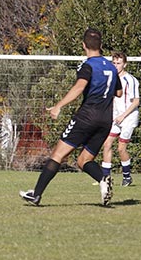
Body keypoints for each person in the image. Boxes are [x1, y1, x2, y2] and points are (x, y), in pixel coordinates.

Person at [20, 28, 122, 206]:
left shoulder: (87, 66)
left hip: (86, 117)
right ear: (101, 45)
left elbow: (79, 87)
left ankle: (36, 194)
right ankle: (103, 179)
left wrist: (59, 106)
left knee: (58, 155)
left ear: (84, 45)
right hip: (105, 120)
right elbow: (119, 92)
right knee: (84, 160)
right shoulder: (111, 68)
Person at [101, 51, 140, 187]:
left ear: (125, 64)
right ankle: (105, 179)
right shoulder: (111, 78)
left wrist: (123, 115)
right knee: (106, 144)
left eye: (119, 63)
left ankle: (127, 177)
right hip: (116, 118)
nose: (116, 66)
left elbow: (136, 101)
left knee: (121, 148)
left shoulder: (131, 80)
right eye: (114, 63)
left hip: (129, 117)